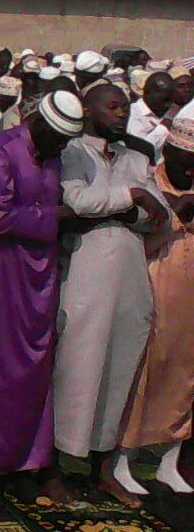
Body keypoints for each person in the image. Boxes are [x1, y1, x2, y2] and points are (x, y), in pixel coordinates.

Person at [0, 91, 83, 503]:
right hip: (7, 271)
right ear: (40, 126)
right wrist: (55, 219)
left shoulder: (54, 156)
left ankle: (28, 463)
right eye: (58, 139)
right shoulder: (1, 149)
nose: (62, 148)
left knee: (37, 366)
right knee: (1, 366)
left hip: (42, 274)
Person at [55, 81, 166, 507]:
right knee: (77, 363)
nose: (122, 114)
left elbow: (157, 214)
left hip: (130, 272)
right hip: (87, 268)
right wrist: (131, 197)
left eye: (125, 107)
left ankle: (103, 469)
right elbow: (75, 200)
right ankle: (57, 466)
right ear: (89, 110)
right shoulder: (72, 152)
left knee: (119, 365)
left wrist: (130, 202)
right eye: (114, 107)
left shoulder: (136, 156)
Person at [117, 118, 194, 494]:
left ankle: (168, 462)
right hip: (152, 286)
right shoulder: (150, 184)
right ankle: (121, 460)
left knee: (184, 376)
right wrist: (178, 212)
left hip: (189, 299)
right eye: (185, 159)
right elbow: (138, 242)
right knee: (143, 371)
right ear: (168, 152)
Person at [128, 71, 174, 156]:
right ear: (148, 92)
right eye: (165, 99)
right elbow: (137, 152)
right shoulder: (133, 114)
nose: (169, 103)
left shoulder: (165, 111)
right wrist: (163, 129)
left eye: (172, 98)